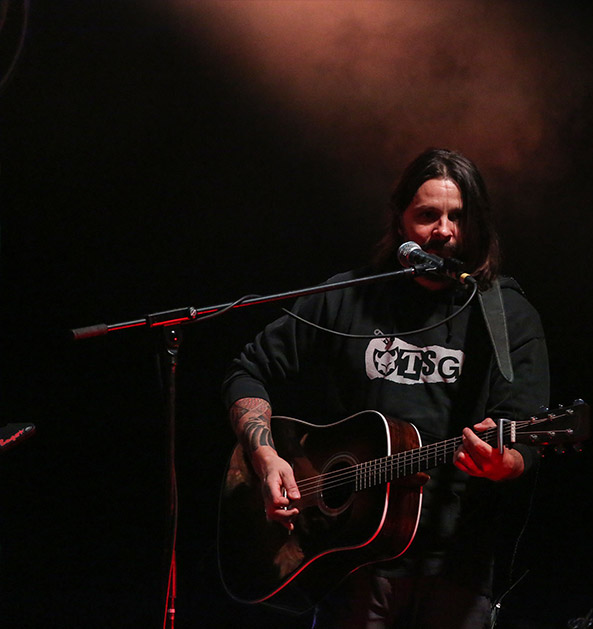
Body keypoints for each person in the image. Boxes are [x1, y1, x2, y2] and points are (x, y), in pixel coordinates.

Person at [222, 148, 550, 628]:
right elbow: (246, 371)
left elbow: (528, 439)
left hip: (457, 571)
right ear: (400, 223)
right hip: (350, 564)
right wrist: (266, 456)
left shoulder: (509, 317)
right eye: (427, 216)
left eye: (458, 217)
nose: (444, 232)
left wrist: (507, 462)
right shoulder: (347, 298)